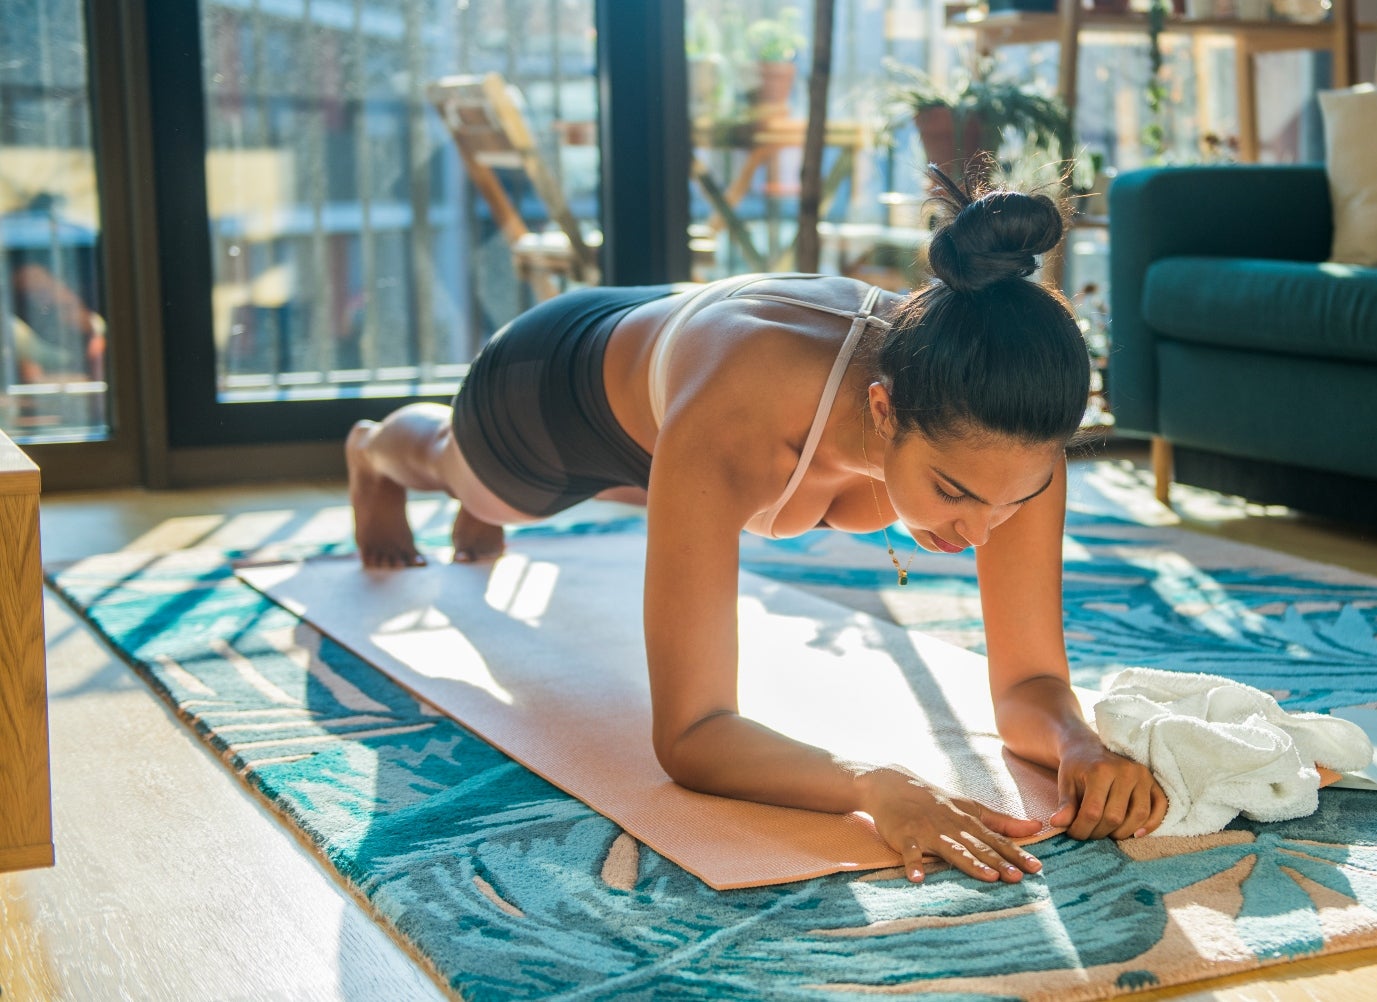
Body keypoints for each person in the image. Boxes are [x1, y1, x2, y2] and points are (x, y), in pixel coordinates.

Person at [346, 168, 1167, 885]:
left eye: (1012, 503)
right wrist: (869, 782)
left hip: (677, 381)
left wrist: (1077, 745)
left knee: (668, 497)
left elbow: (1028, 687)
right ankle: (375, 451)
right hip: (557, 384)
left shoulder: (1008, 438)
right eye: (954, 493)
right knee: (479, 485)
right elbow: (693, 734)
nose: (985, 531)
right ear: (883, 412)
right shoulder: (738, 417)